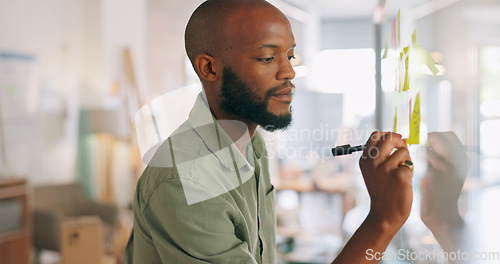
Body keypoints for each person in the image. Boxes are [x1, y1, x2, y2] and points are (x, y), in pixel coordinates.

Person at [124, 0, 413, 263]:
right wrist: (383, 220)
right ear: (209, 68)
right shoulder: (186, 183)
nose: (289, 72)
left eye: (290, 55)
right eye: (266, 58)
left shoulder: (251, 144)